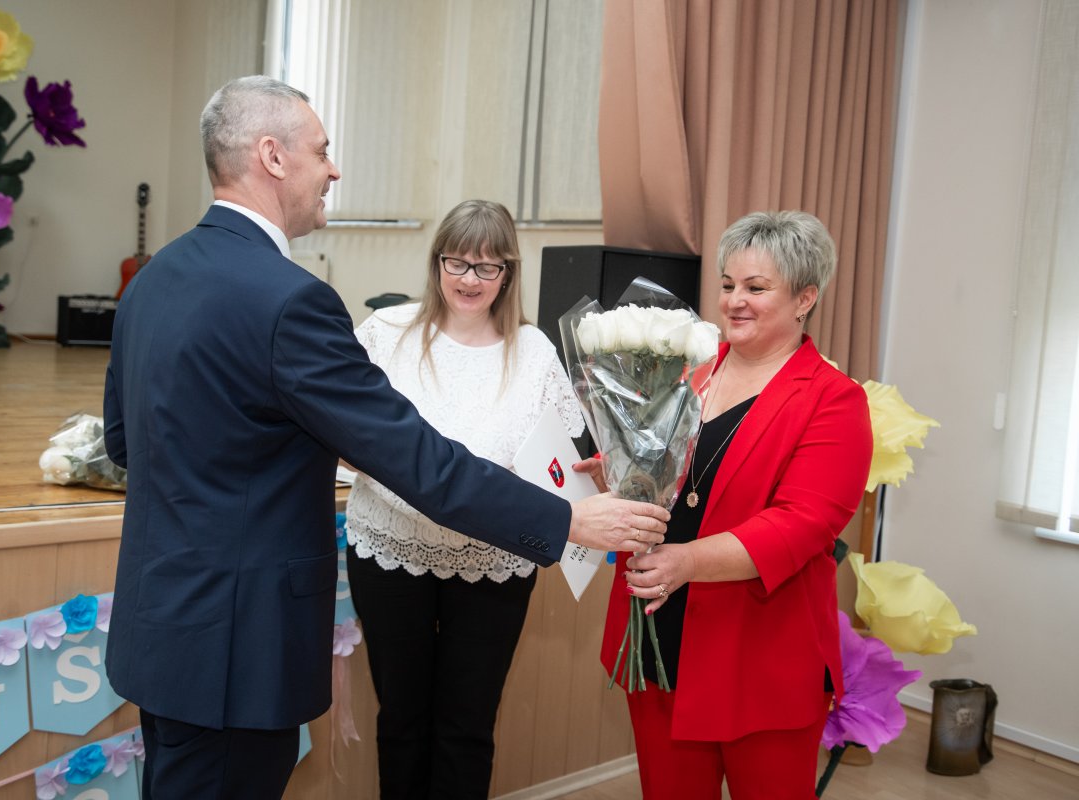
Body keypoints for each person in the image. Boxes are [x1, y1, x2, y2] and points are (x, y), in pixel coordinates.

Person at [102, 75, 670, 799]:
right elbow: (415, 461)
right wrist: (566, 521)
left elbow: (124, 444)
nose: (333, 169)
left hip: (161, 626)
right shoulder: (292, 301)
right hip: (239, 647)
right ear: (272, 157)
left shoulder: (152, 280)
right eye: (321, 151)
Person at [578, 211, 872, 799]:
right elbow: (673, 478)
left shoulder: (833, 400)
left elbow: (801, 524)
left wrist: (687, 561)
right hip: (661, 633)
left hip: (760, 650)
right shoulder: (685, 370)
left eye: (756, 288)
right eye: (729, 284)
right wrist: (620, 472)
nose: (735, 301)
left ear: (805, 298)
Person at [345, 199, 584, 798]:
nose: (469, 279)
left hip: (494, 561)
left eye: (487, 266)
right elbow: (342, 432)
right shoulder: (387, 332)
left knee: (468, 726)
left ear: (508, 273)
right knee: (402, 719)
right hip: (391, 552)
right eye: (457, 262)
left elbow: (560, 458)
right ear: (436, 263)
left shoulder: (534, 351)